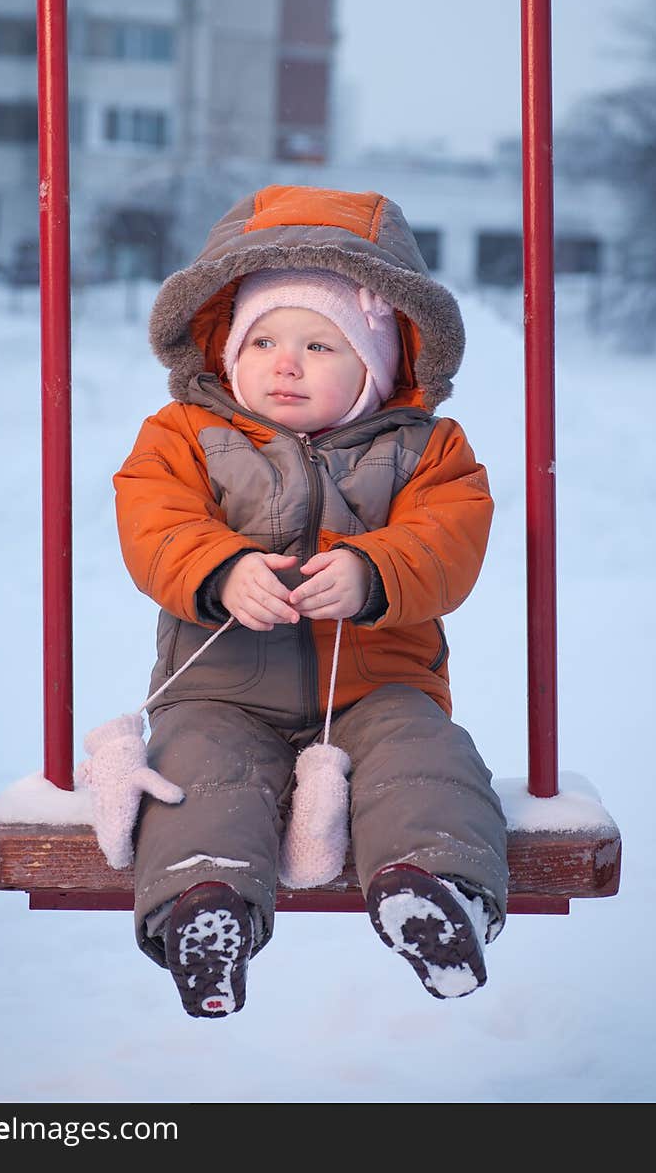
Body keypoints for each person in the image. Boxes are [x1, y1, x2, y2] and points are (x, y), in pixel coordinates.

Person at [113, 184, 509, 1018]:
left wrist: (373, 571)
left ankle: (437, 892)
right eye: (263, 339)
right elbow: (155, 521)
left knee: (426, 757)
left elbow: (452, 538)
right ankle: (205, 909)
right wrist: (220, 569)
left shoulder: (426, 451)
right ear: (227, 349)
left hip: (377, 690)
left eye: (321, 345)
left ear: (382, 360)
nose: (284, 363)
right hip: (220, 691)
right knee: (196, 768)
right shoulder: (182, 435)